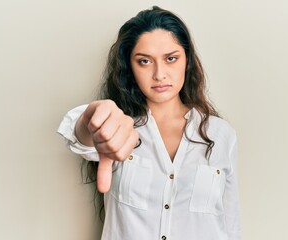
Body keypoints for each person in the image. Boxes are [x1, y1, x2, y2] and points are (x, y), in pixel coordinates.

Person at [57, 6, 240, 240]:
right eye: (144, 61)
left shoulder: (221, 135)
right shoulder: (118, 128)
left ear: (187, 61)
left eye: (171, 59)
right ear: (130, 67)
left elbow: (230, 224)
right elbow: (81, 137)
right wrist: (91, 119)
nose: (159, 74)